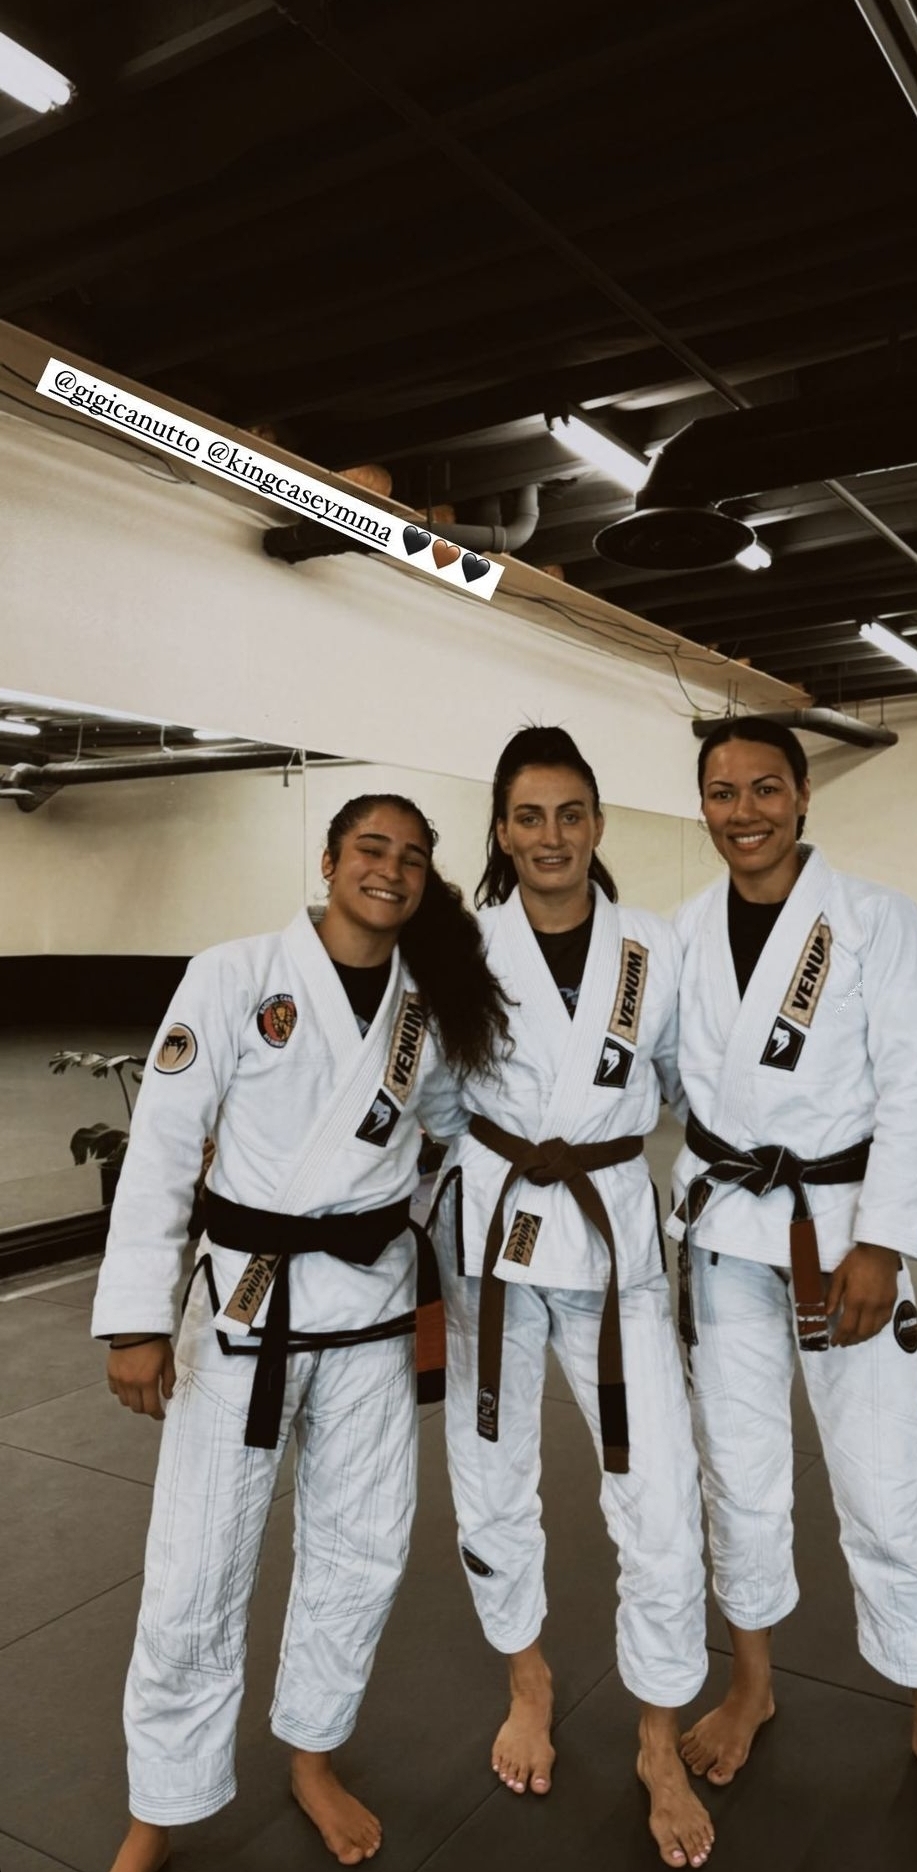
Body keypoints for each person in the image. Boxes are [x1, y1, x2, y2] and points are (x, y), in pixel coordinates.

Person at [92, 794, 508, 1872]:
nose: (390, 870)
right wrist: (135, 1319)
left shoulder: (427, 1004)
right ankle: (160, 1806)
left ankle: (313, 1756)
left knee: (361, 1550)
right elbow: (164, 1142)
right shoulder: (233, 975)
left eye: (411, 857)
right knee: (196, 1562)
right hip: (246, 1305)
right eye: (371, 848)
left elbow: (457, 1130)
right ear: (328, 859)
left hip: (370, 1310)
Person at [669, 718, 917, 1857]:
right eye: (721, 792)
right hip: (725, 1236)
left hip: (839, 1234)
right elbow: (664, 1086)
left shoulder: (875, 920)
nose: (743, 812)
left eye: (763, 788)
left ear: (802, 794)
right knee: (738, 1472)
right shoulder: (681, 931)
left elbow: (913, 1087)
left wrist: (881, 1241)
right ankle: (751, 1683)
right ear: (702, 805)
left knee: (883, 1476)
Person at [429, 726, 713, 1871]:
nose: (550, 836)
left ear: (596, 824)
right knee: (490, 1475)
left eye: (569, 813)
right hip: (491, 1246)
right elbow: (432, 1101)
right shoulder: (460, 949)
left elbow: (693, 1089)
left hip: (610, 1240)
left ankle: (656, 1738)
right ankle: (528, 1680)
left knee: (659, 1490)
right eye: (527, 816)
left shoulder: (653, 948)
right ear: (501, 832)